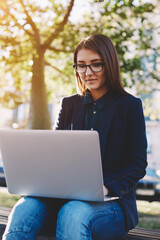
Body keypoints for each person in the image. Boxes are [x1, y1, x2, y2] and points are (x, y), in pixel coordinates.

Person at [3, 34, 147, 240]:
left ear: (110, 64)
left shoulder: (129, 106)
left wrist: (105, 188)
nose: (87, 72)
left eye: (95, 65)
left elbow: (137, 164)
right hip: (61, 197)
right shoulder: (69, 105)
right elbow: (54, 153)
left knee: (73, 212)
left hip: (112, 204)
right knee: (23, 209)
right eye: (81, 66)